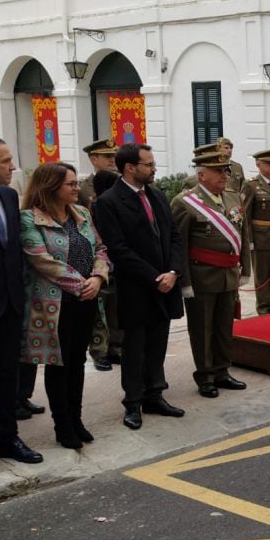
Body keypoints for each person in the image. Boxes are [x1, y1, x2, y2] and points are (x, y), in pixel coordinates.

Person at [94, 143, 186, 430]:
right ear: (130, 167)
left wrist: (172, 271)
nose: (154, 168)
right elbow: (118, 250)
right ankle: (133, 402)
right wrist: (154, 277)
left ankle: (154, 394)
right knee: (135, 348)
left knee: (158, 343)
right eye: (148, 164)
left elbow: (173, 236)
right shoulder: (109, 202)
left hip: (165, 284)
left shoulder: (157, 196)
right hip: (137, 288)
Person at [19, 162, 111, 449]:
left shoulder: (82, 213)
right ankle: (63, 426)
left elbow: (100, 249)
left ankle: (77, 418)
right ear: (50, 187)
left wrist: (97, 277)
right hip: (54, 305)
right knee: (59, 365)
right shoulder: (30, 219)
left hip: (86, 300)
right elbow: (42, 260)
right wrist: (81, 285)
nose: (76, 187)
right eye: (70, 184)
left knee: (78, 361)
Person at [173, 152, 251, 398]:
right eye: (218, 171)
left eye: (225, 170)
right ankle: (205, 376)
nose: (224, 175)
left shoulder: (232, 197)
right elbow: (179, 245)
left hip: (228, 274)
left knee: (223, 326)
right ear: (201, 174)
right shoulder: (185, 202)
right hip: (201, 277)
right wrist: (184, 282)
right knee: (202, 329)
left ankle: (222, 371)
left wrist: (246, 269)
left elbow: (243, 236)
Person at [0, 135, 44, 476]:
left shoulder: (8, 196)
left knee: (6, 376)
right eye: (4, 162)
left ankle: (9, 439)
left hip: (9, 306)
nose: (13, 167)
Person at [78, 139, 122, 371]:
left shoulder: (121, 183)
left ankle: (116, 347)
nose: (112, 161)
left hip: (118, 251)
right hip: (95, 254)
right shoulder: (83, 188)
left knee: (116, 303)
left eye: (114, 156)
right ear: (94, 160)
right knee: (99, 304)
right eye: (107, 157)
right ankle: (100, 351)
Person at [241, 148, 270, 315]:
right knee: (263, 277)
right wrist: (249, 240)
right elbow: (245, 215)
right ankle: (264, 310)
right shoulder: (251, 185)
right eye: (267, 163)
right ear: (258, 164)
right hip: (261, 238)